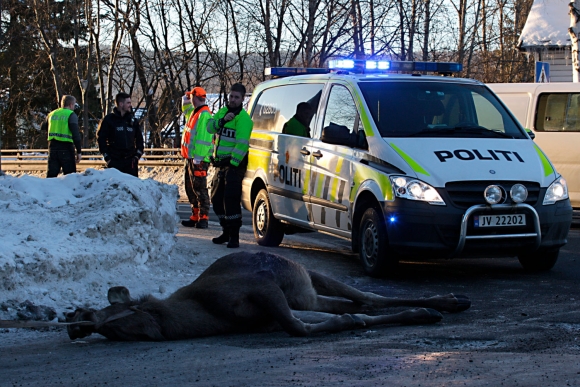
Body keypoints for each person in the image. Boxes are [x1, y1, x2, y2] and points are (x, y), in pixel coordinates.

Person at [207, 83, 253, 248]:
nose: (233, 100)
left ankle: (234, 236)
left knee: (231, 200)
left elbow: (241, 144)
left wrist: (232, 163)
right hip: (221, 165)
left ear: (242, 99)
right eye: (231, 96)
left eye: (236, 97)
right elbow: (210, 127)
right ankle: (225, 230)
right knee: (216, 199)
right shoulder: (223, 112)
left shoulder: (244, 119)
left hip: (235, 165)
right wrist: (221, 121)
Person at [180, 87, 213, 229]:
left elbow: (203, 140)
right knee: (190, 187)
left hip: (199, 160)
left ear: (195, 97)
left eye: (191, 97)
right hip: (191, 158)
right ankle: (195, 215)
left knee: (200, 188)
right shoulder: (196, 112)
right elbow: (187, 112)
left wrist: (198, 158)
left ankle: (203, 217)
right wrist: (185, 102)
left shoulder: (204, 115)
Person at [96, 92, 144, 177]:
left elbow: (140, 140)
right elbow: (101, 138)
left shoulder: (133, 121)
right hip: (114, 162)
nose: (130, 105)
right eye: (128, 103)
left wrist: (137, 156)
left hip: (130, 162)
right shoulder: (109, 120)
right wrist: (107, 157)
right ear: (121, 104)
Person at [43, 95, 82, 178]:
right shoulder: (71, 115)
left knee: (51, 176)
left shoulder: (51, 114)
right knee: (70, 177)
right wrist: (79, 151)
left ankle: (49, 190)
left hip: (53, 147)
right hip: (66, 148)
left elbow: (43, 127)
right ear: (71, 104)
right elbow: (76, 135)